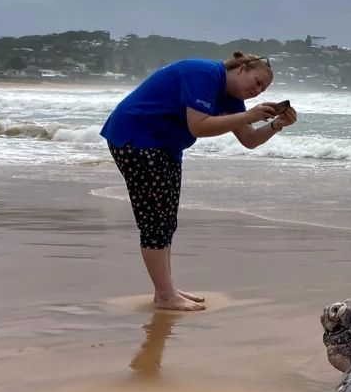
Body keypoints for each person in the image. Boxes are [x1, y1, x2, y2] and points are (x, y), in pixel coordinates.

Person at [100, 51, 298, 311]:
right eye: (258, 81)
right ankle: (164, 294)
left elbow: (248, 140)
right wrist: (249, 116)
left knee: (166, 222)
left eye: (264, 88)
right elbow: (199, 126)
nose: (258, 91)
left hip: (165, 146)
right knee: (155, 223)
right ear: (241, 69)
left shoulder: (232, 98)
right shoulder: (203, 73)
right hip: (137, 138)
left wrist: (276, 126)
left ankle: (166, 289)